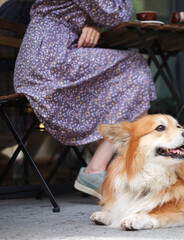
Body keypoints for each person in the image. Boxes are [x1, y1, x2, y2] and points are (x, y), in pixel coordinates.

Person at [13, 0, 157, 199]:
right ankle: (123, 171)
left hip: (54, 55)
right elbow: (115, 14)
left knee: (132, 78)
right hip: (47, 60)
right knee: (134, 69)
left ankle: (115, 170)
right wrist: (96, 20)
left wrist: (92, 24)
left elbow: (103, 12)